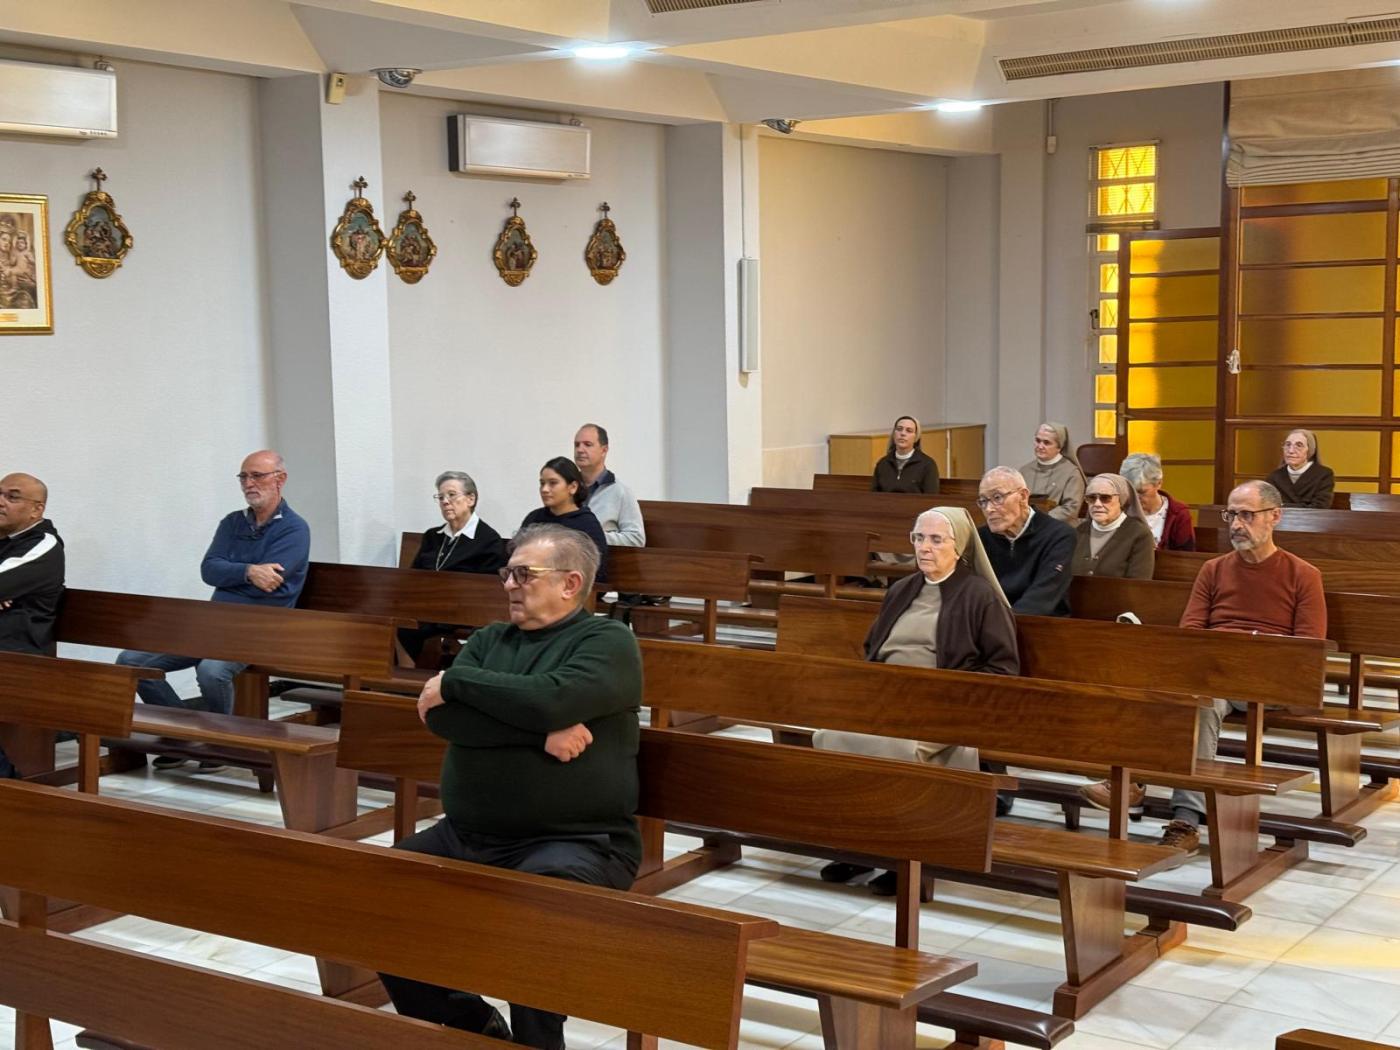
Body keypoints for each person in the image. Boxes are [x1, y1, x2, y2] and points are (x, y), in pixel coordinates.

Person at [378, 524, 640, 1048]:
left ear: (570, 584)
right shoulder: (491, 640)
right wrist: (539, 733)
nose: (509, 585)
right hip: (468, 835)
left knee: (535, 914)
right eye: (507, 573)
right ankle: (472, 1026)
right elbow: (446, 722)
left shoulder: (607, 641)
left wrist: (455, 682)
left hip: (576, 841)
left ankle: (538, 1043)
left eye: (524, 574)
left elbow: (554, 697)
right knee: (378, 896)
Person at [1081, 480, 1325, 851]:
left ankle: (1175, 812)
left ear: (1275, 517)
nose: (1236, 524)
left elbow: (1306, 650)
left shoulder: (1303, 574)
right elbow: (1191, 630)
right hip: (1213, 669)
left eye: (1247, 515)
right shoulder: (1214, 569)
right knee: (1152, 686)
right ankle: (1135, 783)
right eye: (1231, 515)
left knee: (1201, 702)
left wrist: (1247, 653)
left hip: (1269, 677)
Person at [815, 506, 1018, 894]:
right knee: (833, 736)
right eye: (918, 538)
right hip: (886, 701)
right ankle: (855, 847)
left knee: (898, 747)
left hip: (942, 709)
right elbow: (872, 648)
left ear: (958, 548)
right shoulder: (902, 589)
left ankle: (904, 855)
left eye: (936, 539)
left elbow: (1003, 671)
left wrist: (943, 693)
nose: (924, 548)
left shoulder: (980, 596)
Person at [117, 451, 310, 769]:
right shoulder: (233, 523)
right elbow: (209, 570)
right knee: (132, 662)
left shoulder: (294, 529)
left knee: (211, 670)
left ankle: (220, 744)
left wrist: (232, 572)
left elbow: (273, 582)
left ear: (280, 479)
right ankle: (181, 736)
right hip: (212, 625)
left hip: (259, 629)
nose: (249, 483)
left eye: (257, 476)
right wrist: (248, 571)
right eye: (244, 477)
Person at [399, 471, 508, 666]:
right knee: (395, 623)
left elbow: (489, 590)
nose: (445, 501)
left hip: (466, 610)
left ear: (471, 499)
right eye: (440, 497)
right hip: (427, 608)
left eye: (451, 495)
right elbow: (414, 577)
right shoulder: (433, 536)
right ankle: (403, 677)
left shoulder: (488, 539)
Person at [0, 473, 65, 780]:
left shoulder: (44, 545)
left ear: (36, 509)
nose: (1, 502)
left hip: (20, 656)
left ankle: (7, 779)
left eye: (12, 497)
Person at [976, 466, 1076, 617]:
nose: (989, 509)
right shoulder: (980, 537)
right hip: (993, 625)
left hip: (1043, 625)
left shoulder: (1059, 535)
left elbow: (1042, 597)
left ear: (1023, 496)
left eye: (997, 498)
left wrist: (1000, 626)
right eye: (983, 501)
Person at [519, 457, 608, 583]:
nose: (544, 489)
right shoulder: (534, 519)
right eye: (542, 483)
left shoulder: (587, 525)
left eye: (553, 483)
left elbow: (597, 573)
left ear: (572, 487)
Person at [1071, 473, 1155, 579]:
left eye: (1105, 498)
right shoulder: (1078, 531)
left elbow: (1138, 585)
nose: (1097, 504)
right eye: (1091, 498)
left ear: (1121, 500)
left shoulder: (1139, 535)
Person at [573, 424, 645, 547]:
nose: (580, 449)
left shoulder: (620, 491)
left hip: (602, 561)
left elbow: (636, 538)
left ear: (604, 450)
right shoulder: (566, 487)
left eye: (587, 444)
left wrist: (594, 537)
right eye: (577, 445)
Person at [1120, 453, 1195, 551]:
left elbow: (1186, 558)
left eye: (1141, 492)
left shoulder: (1178, 513)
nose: (1135, 498)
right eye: (1130, 491)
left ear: (1159, 483)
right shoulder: (1118, 509)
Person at [1021, 423, 1086, 523]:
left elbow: (1070, 509)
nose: (1040, 446)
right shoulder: (1024, 471)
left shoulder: (1072, 473)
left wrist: (1037, 520)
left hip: (1058, 529)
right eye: (1038, 441)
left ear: (1059, 447)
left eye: (1046, 443)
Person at [1266, 429, 1336, 509]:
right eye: (1288, 445)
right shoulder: (1274, 477)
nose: (1291, 451)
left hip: (1312, 520)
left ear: (1310, 450)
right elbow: (1268, 507)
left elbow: (1320, 507)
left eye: (1299, 445)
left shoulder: (1324, 475)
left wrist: (1283, 506)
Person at [871, 416, 940, 494]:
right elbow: (874, 496)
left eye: (909, 431)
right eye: (899, 429)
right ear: (894, 434)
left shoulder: (927, 464)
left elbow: (930, 498)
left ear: (916, 437)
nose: (903, 433)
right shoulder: (883, 463)